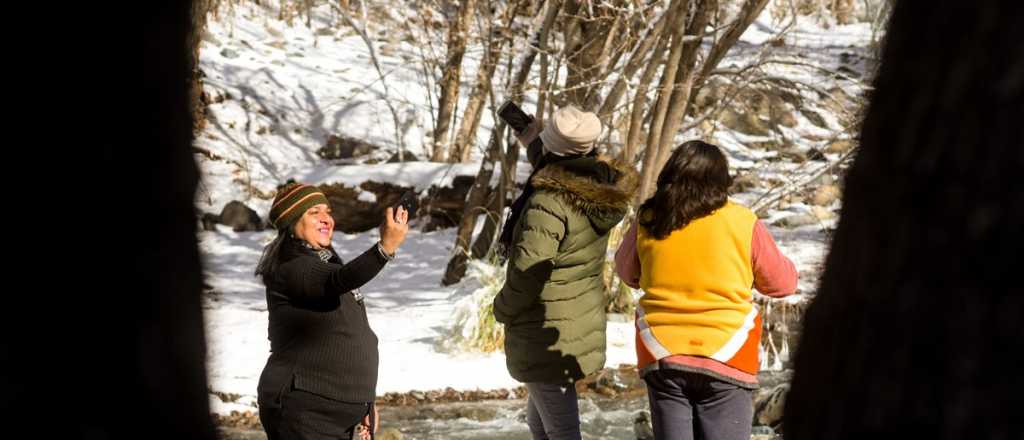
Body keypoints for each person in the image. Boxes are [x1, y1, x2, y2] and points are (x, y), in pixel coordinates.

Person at [615, 140, 797, 440]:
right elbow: (783, 284)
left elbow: (627, 273)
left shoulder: (649, 218)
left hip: (662, 352)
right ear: (721, 180)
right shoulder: (742, 221)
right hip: (728, 351)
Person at [493, 105, 640, 440]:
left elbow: (528, 271)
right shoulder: (597, 184)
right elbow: (552, 159)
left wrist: (502, 308)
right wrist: (526, 130)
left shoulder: (548, 201)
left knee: (561, 430)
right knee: (542, 424)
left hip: (545, 325)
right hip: (577, 318)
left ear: (553, 151)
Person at [254, 180, 409, 440]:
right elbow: (339, 280)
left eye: (328, 211)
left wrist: (366, 405)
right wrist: (385, 248)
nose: (327, 219)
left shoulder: (325, 264)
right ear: (292, 223)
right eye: (314, 213)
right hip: (305, 412)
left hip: (344, 416)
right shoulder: (292, 267)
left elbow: (349, 333)